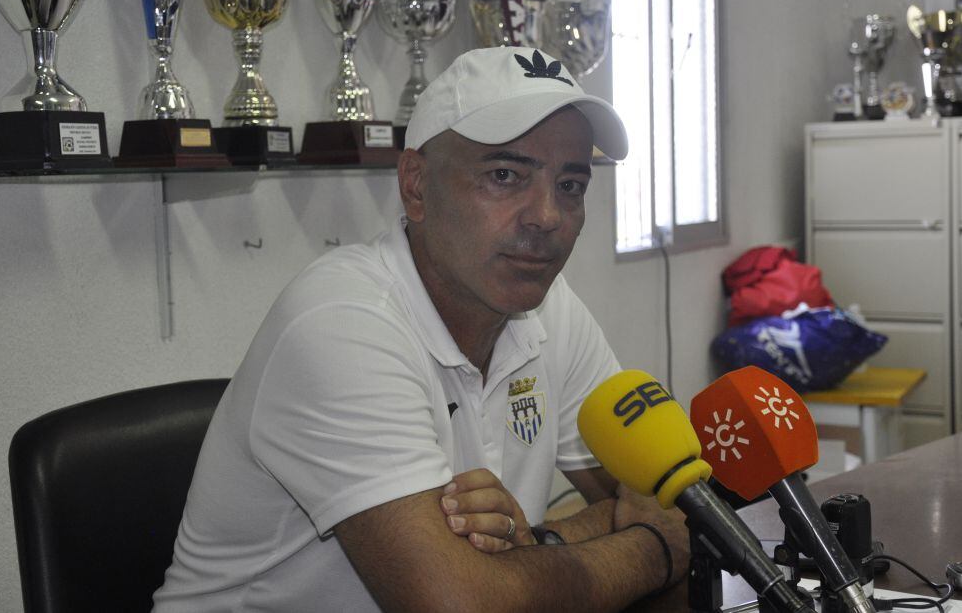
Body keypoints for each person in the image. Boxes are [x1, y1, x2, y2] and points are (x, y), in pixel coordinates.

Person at [153, 46, 689, 612]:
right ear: (416, 185)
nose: (547, 216)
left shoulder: (549, 309)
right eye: (505, 176)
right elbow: (458, 604)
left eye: (570, 185)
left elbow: (665, 502)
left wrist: (536, 549)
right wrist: (653, 552)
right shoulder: (342, 323)